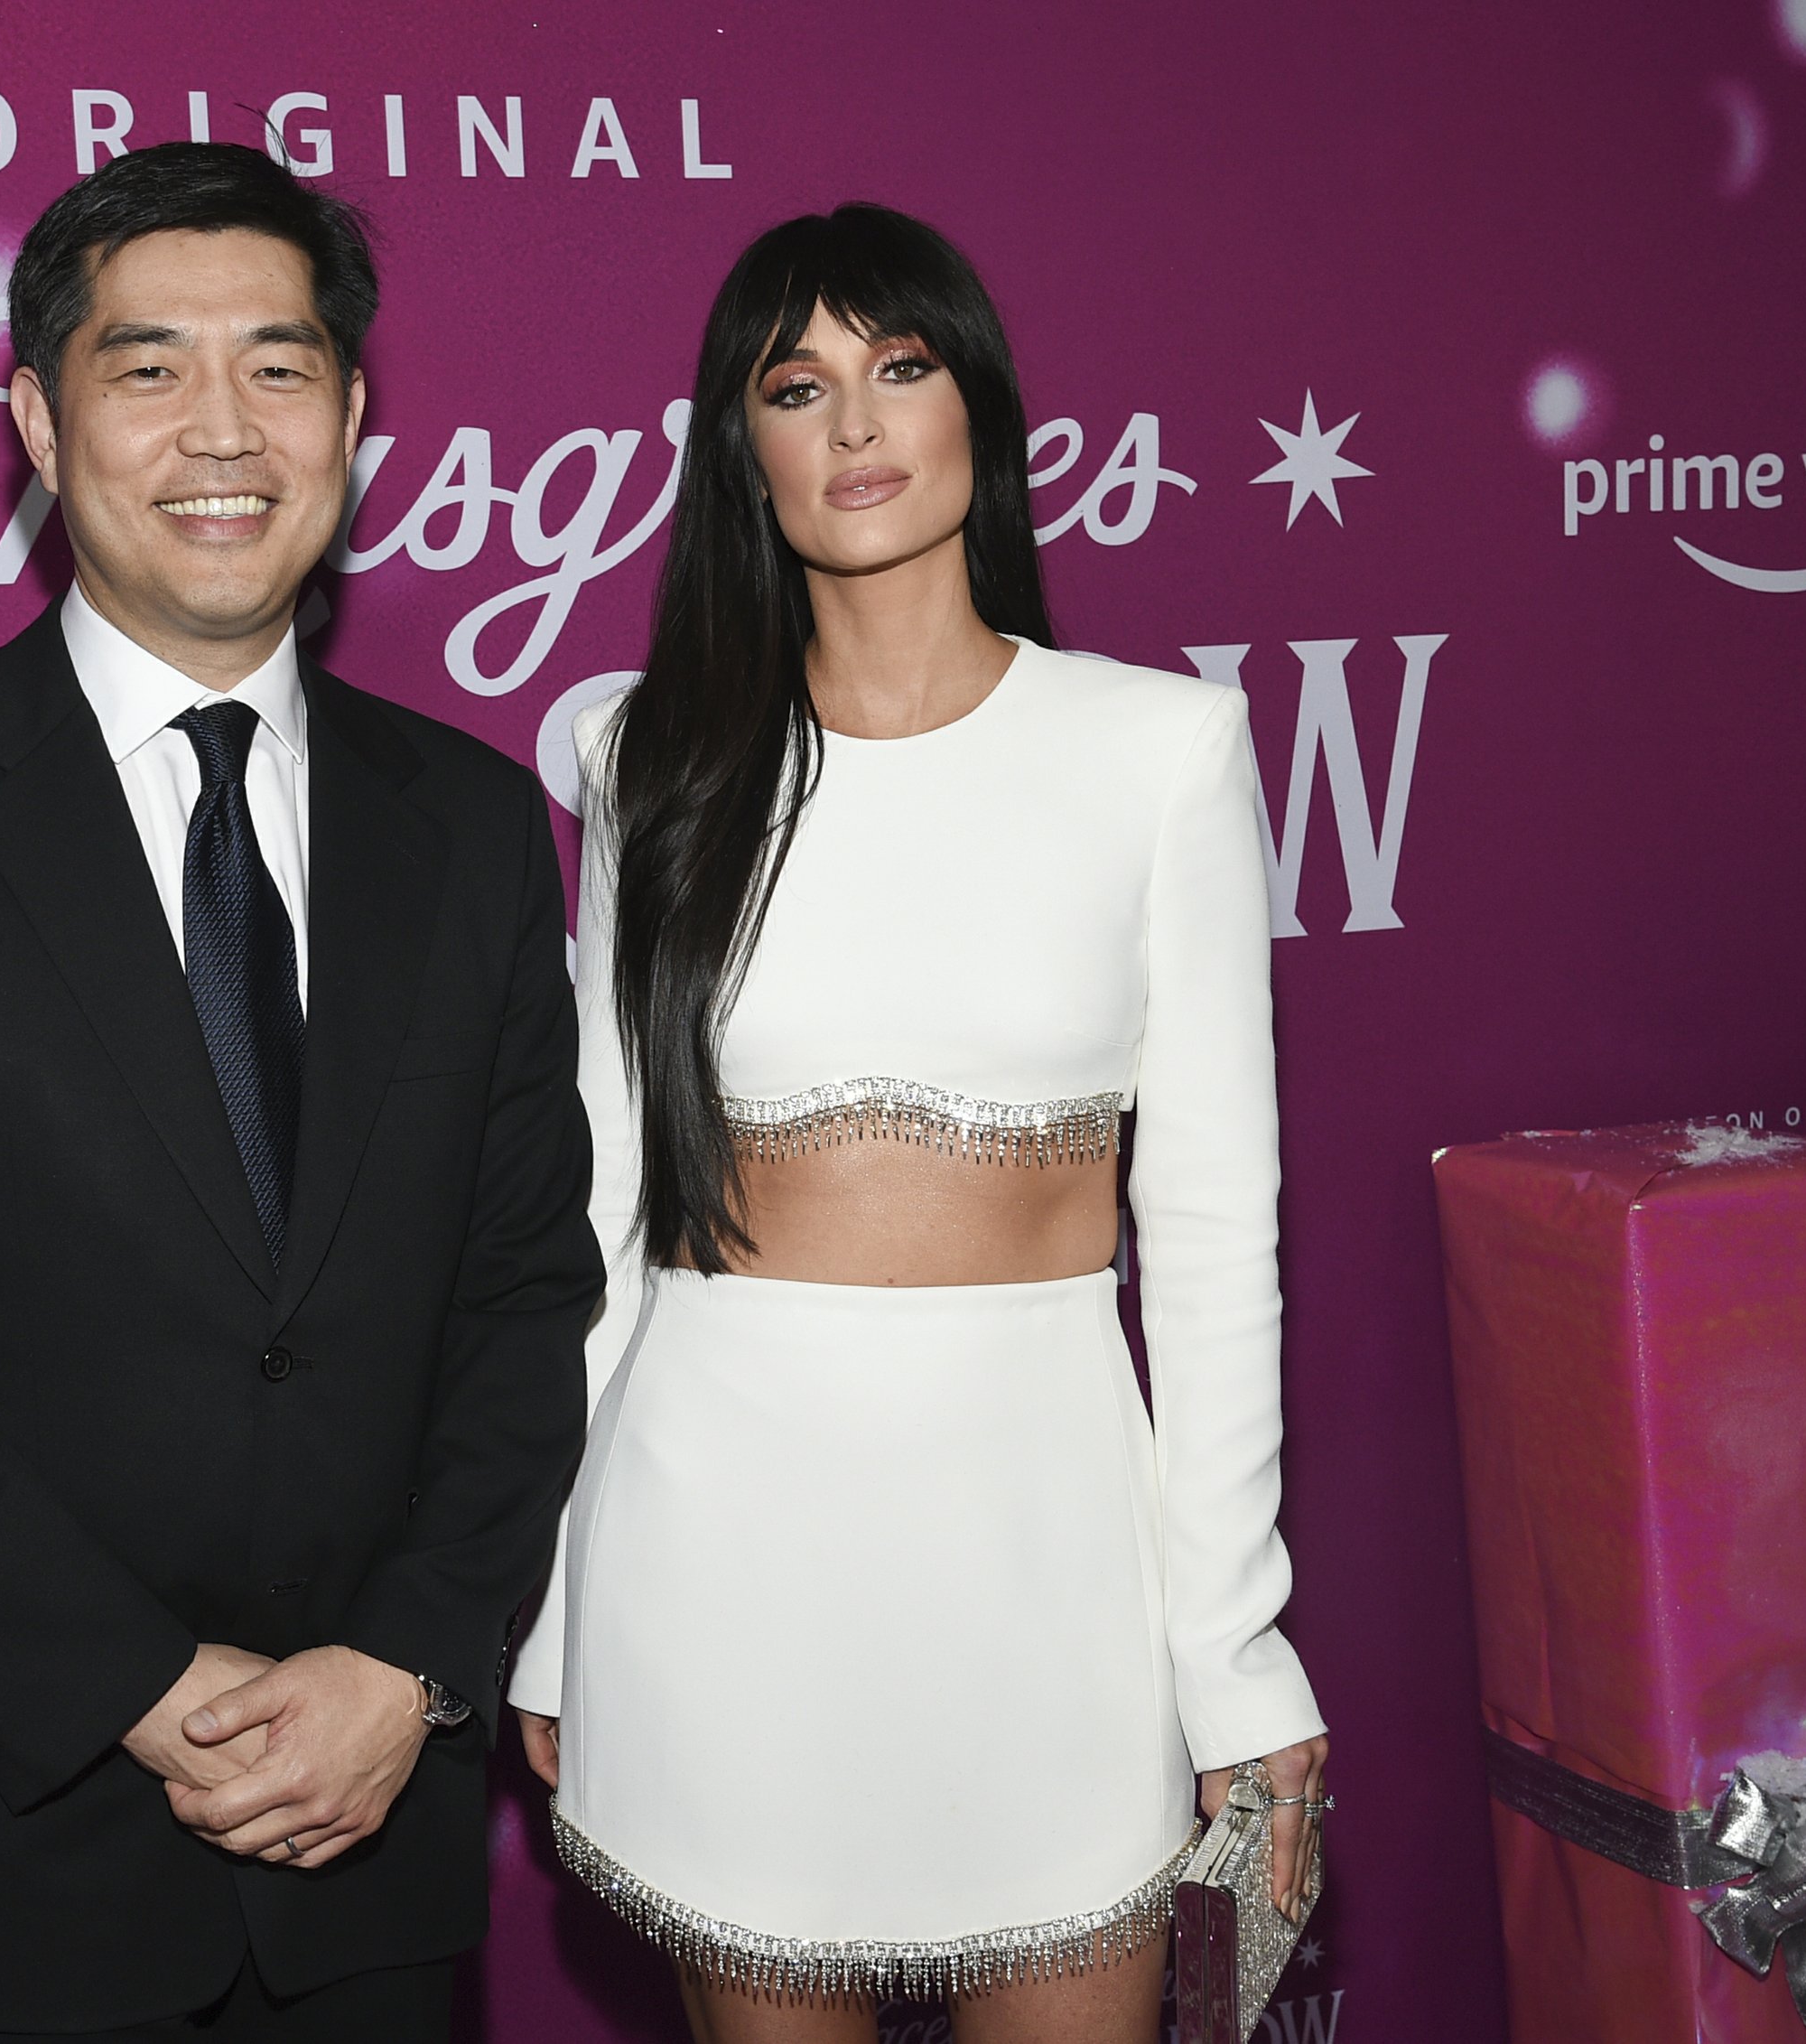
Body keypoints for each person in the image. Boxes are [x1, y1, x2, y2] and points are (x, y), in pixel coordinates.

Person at [0, 142, 600, 2043]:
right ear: (40, 421)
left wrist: (407, 1663)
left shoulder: (470, 823)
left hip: (372, 1850)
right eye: (148, 366)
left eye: (278, 366)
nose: (222, 430)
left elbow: (527, 1289)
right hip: (4, 1853)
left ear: (351, 417)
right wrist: (132, 1681)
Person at [505, 204, 1334, 2044]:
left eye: (900, 365)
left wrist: (1232, 1649)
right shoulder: (651, 762)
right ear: (743, 446)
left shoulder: (1161, 750)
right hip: (713, 1544)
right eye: (796, 387)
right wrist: (554, 1602)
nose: (857, 423)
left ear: (981, 409)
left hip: (1048, 1544)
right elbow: (605, 1216)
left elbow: (1213, 1240)